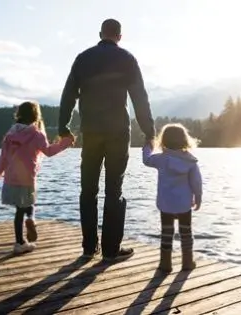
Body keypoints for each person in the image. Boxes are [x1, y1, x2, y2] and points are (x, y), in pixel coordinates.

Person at [58, 18, 156, 262]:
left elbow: (69, 93)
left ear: (100, 33)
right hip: (117, 133)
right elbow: (139, 98)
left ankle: (89, 247)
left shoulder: (83, 58)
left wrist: (63, 127)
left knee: (88, 190)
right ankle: (111, 249)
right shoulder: (127, 59)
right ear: (119, 37)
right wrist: (149, 131)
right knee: (114, 190)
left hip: (90, 132)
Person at [0, 101, 74, 254]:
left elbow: (3, 158)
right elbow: (48, 151)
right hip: (27, 178)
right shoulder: (36, 134)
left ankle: (20, 241)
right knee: (29, 203)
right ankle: (30, 221)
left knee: (18, 210)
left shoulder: (10, 135)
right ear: (36, 116)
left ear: (19, 115)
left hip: (11, 178)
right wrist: (65, 143)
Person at [142, 123, 202, 272]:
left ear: (164, 141)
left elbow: (146, 160)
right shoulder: (190, 161)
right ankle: (187, 262)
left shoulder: (161, 159)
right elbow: (196, 182)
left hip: (166, 204)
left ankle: (165, 263)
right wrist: (198, 197)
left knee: (166, 233)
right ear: (185, 140)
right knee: (186, 232)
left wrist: (148, 146)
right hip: (184, 204)